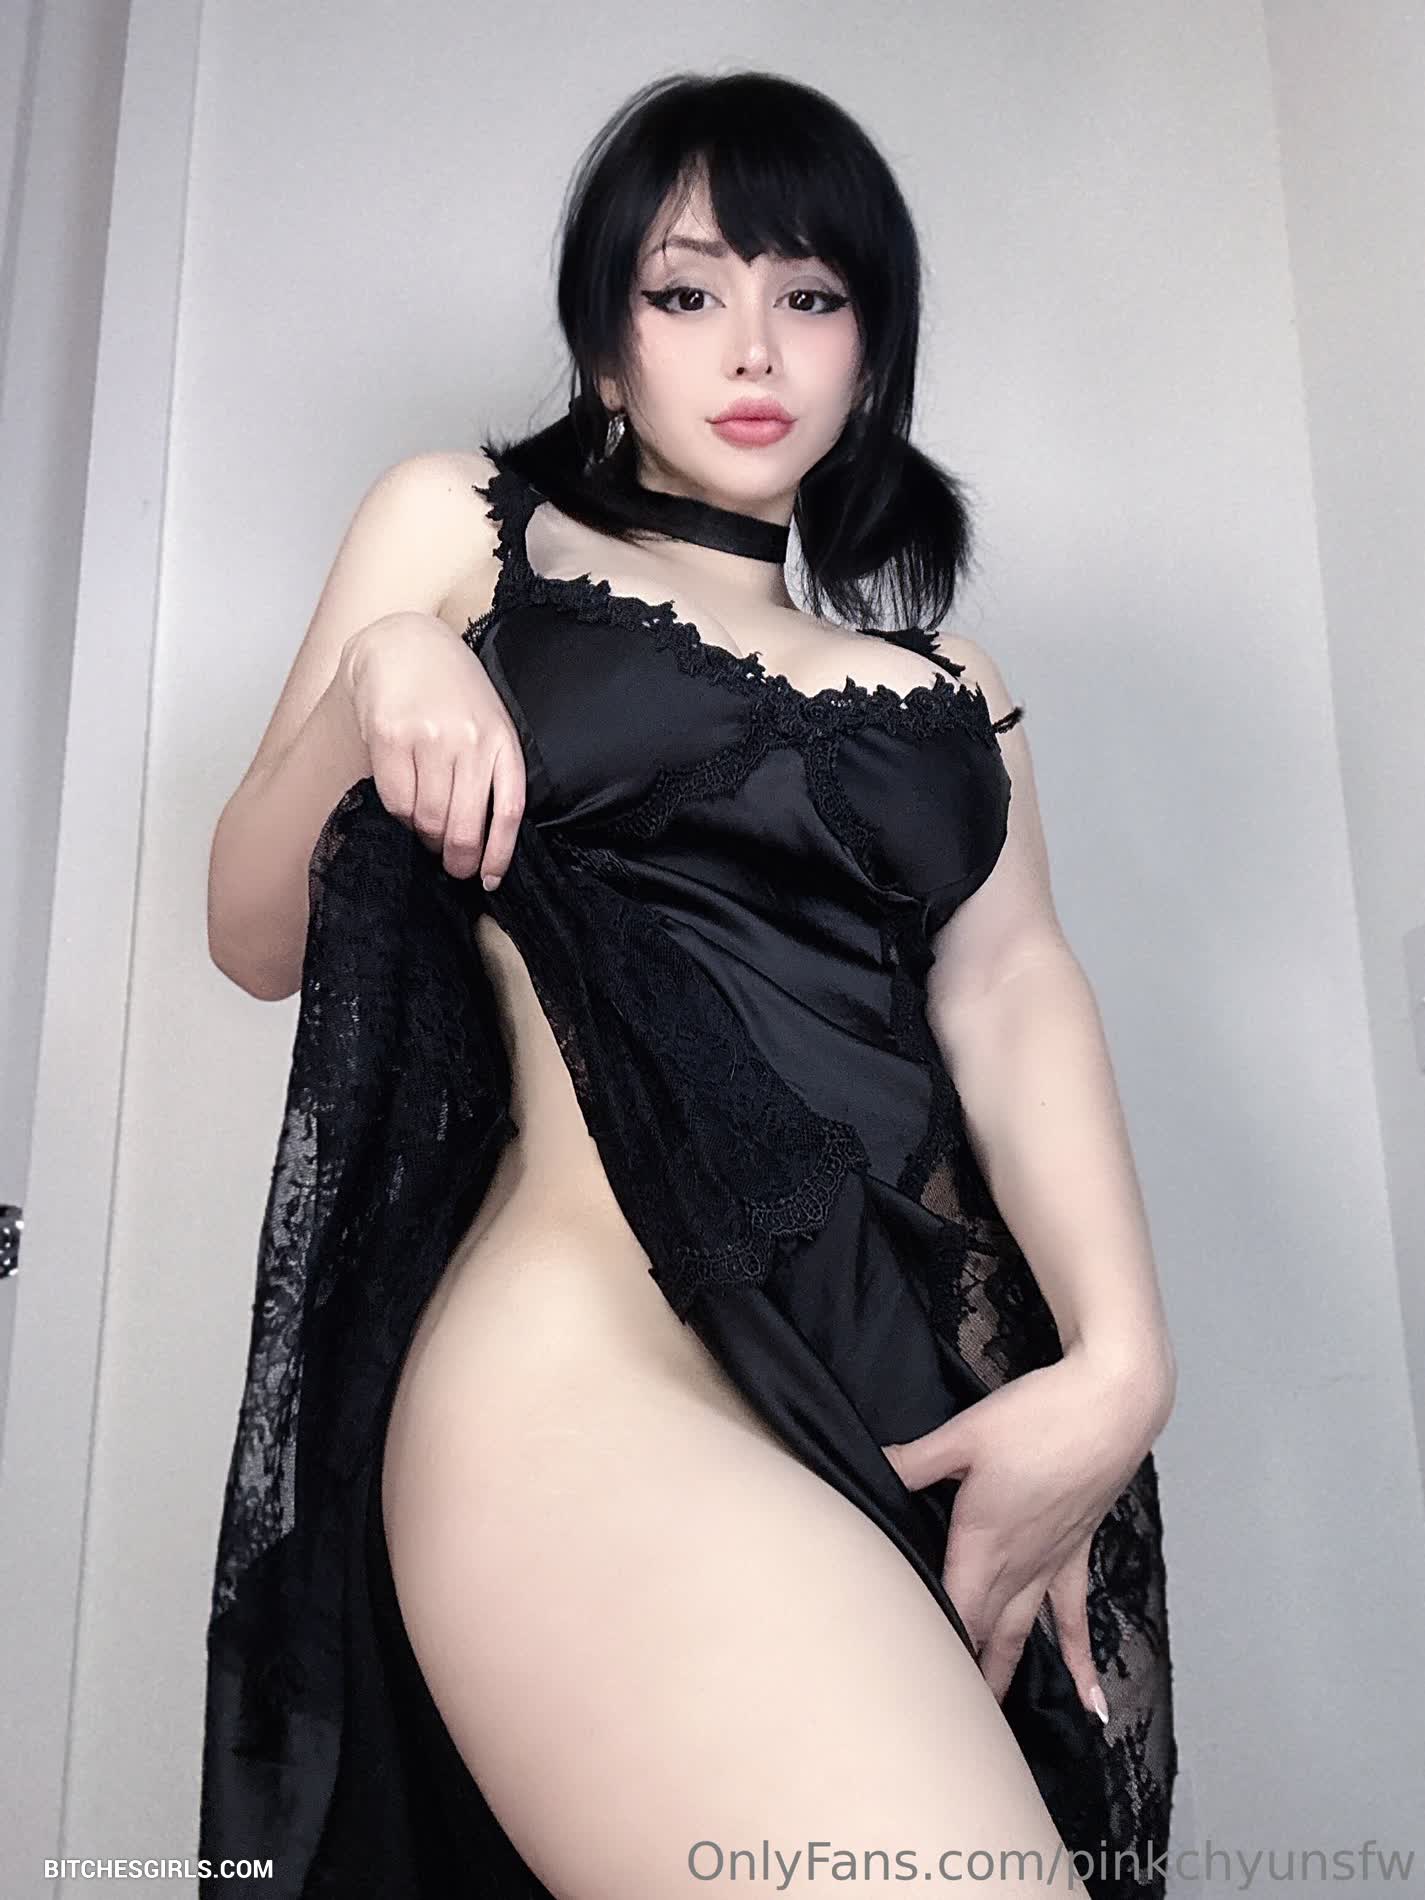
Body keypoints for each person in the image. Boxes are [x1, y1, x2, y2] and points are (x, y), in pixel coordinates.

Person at [201, 68, 1178, 1900]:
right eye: (685, 289)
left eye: (809, 295)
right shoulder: (470, 532)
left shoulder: (951, 690)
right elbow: (254, 934)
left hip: (908, 1388)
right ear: (604, 340)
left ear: (870, 352)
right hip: (601, 1368)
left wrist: (1123, 1362)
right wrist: (381, 671)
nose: (753, 346)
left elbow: (1008, 990)